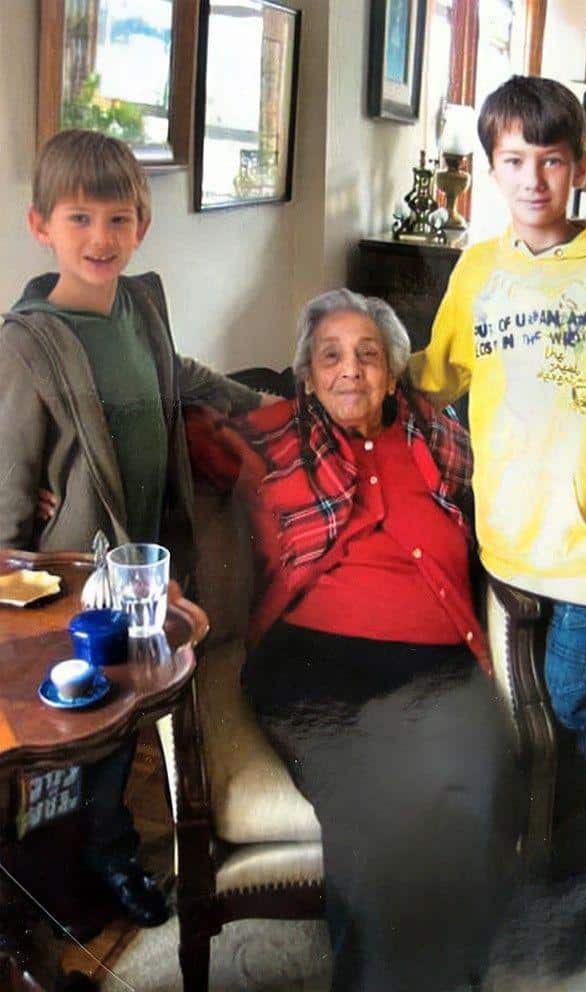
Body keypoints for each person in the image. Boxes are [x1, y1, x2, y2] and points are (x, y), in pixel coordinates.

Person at [184, 289, 523, 992]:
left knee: (475, 785)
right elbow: (174, 427)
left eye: (368, 355)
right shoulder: (273, 435)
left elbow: (520, 470)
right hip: (316, 659)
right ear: (307, 376)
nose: (350, 370)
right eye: (330, 356)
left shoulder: (439, 440)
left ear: (394, 374)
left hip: (438, 663)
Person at [0, 129, 261, 937]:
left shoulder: (140, 305)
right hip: (68, 585)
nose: (101, 237)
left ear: (142, 225)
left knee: (124, 717)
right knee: (73, 723)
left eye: (118, 219)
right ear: (42, 225)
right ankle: (53, 878)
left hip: (146, 568)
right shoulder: (27, 342)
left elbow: (178, 376)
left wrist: (270, 407)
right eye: (80, 219)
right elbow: (10, 487)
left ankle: (111, 850)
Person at [411, 75, 586, 822]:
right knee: (523, 701)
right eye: (515, 161)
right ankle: (540, 827)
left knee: (574, 697)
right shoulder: (478, 270)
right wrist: (361, 369)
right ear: (491, 168)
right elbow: (438, 374)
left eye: (551, 160)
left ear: (579, 166)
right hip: (506, 533)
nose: (533, 180)